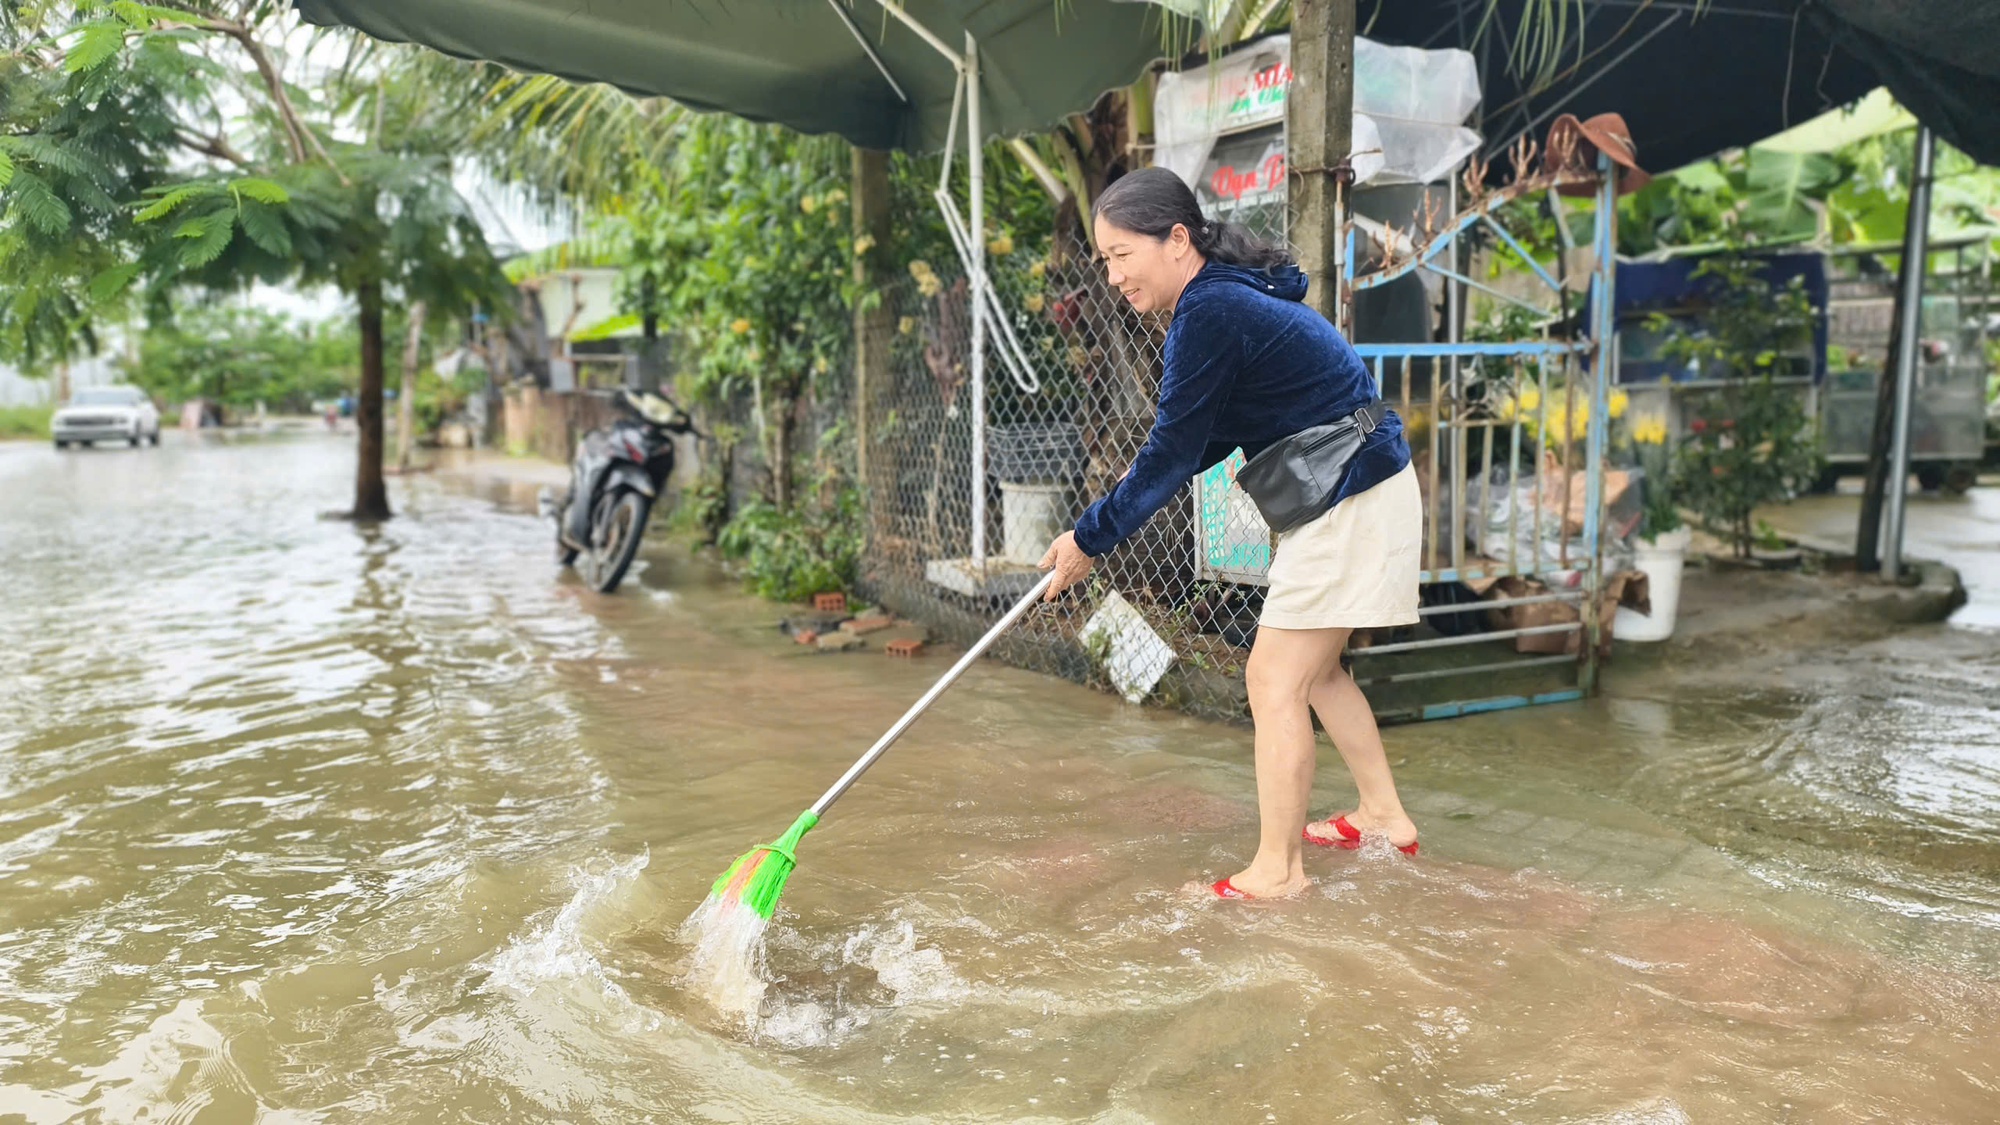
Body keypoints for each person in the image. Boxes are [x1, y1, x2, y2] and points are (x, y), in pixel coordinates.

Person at [1037, 168, 1423, 900]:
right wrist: (1095, 532)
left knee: (1272, 678)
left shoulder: (1208, 311)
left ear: (1177, 239)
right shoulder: (1222, 301)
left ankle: (1278, 871)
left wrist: (1089, 538)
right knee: (1316, 673)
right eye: (1105, 259)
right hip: (1362, 485)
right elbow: (1203, 442)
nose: (1113, 275)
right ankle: (1383, 814)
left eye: (1122, 255)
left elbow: (1174, 450)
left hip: (1352, 494)